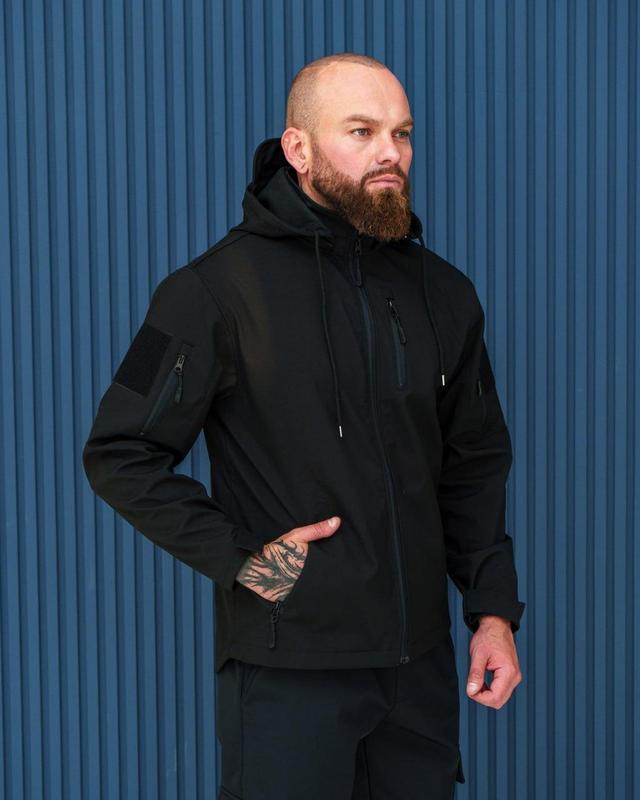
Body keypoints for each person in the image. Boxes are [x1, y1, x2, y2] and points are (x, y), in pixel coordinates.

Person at [83, 52, 525, 799]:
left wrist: (492, 612)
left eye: (402, 133)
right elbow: (119, 452)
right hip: (289, 673)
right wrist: (246, 561)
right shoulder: (211, 291)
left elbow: (474, 462)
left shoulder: (443, 292)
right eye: (361, 131)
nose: (390, 153)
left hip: (418, 673)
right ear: (299, 148)